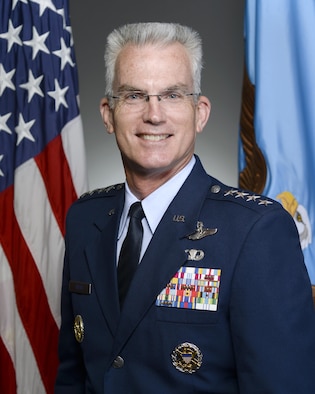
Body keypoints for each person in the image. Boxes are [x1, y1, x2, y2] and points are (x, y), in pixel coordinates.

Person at [55, 22, 315, 393]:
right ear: (108, 114)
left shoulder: (256, 231)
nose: (154, 115)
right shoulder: (86, 218)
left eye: (173, 95)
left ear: (201, 112)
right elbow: (73, 375)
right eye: (133, 96)